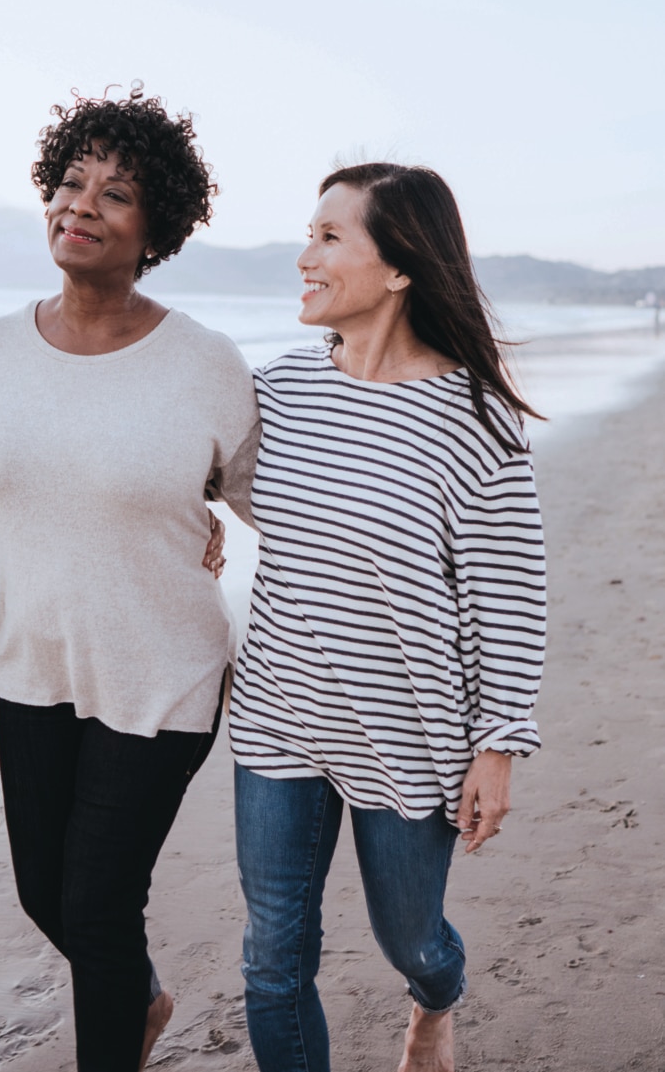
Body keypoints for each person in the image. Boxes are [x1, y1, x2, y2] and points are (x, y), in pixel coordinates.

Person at [0, 86, 261, 1072]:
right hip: (28, 662)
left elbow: (273, 503)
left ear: (155, 227)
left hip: (162, 668)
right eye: (70, 182)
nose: (80, 204)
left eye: (115, 193)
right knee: (43, 897)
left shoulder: (204, 363)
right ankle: (140, 999)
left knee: (94, 907)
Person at [229, 163, 547, 1072]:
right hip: (278, 716)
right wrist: (193, 535)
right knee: (272, 958)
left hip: (408, 732)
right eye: (310, 234)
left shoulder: (476, 422)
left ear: (400, 266)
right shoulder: (280, 390)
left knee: (411, 938)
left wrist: (499, 745)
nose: (305, 257)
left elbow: (511, 599)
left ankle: (435, 1000)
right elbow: (200, 477)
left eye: (330, 238)